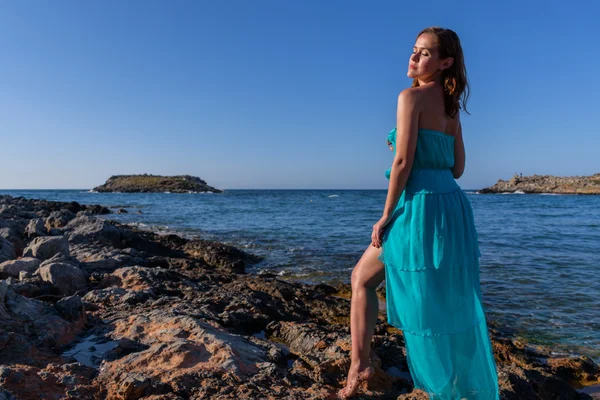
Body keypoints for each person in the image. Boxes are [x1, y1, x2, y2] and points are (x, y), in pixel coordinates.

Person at [337, 27, 500, 399]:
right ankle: (458, 382)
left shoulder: (409, 98)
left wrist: (385, 214)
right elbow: (457, 168)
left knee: (362, 279)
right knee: (445, 299)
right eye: (414, 50)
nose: (413, 58)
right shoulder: (451, 105)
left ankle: (358, 369)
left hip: (419, 204)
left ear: (446, 62)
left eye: (424, 53)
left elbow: (403, 163)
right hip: (452, 207)